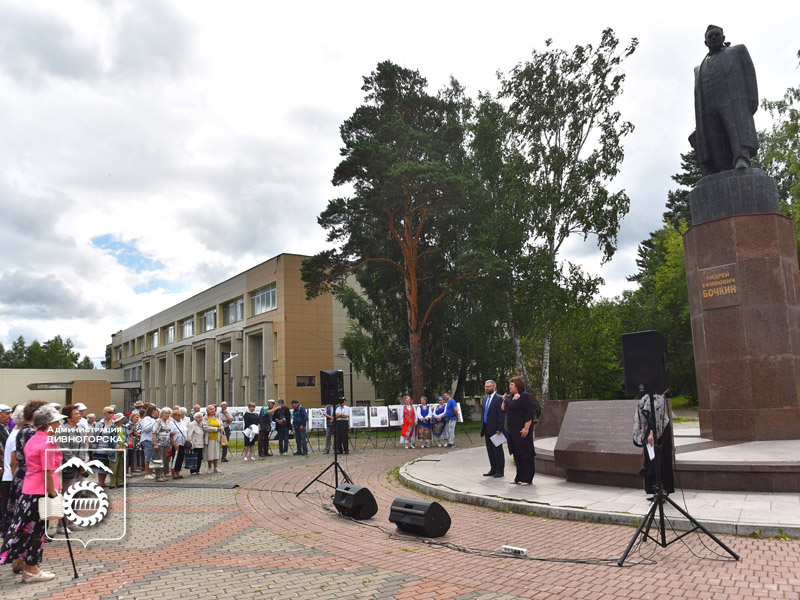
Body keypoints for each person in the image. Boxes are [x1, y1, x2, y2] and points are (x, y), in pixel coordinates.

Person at [0, 405, 66, 583]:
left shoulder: (34, 438)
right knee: (36, 531)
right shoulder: (47, 442)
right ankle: (31, 568)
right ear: (48, 424)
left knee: (25, 529)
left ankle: (25, 563)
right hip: (40, 491)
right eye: (56, 422)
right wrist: (53, 494)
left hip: (29, 489)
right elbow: (48, 471)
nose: (59, 424)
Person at [691, 24, 759, 175]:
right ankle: (723, 167)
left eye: (717, 35)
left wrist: (753, 97)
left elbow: (749, 73)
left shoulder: (737, 51)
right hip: (709, 106)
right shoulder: (698, 68)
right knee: (715, 138)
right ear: (705, 42)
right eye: (710, 36)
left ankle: (742, 158)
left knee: (736, 130)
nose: (714, 38)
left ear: (723, 38)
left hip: (733, 100)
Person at [632, 393, 675, 496]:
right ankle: (654, 490)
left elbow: (653, 413)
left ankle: (663, 491)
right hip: (650, 432)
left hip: (660, 431)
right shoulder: (647, 395)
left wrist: (652, 432)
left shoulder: (658, 395)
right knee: (652, 461)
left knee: (662, 461)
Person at [54, 405, 89, 530]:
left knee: (77, 494)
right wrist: (78, 463)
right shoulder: (63, 430)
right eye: (76, 414)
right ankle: (61, 525)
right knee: (67, 495)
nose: (79, 415)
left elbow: (84, 446)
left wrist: (85, 460)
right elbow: (65, 449)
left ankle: (72, 522)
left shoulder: (79, 429)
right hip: (69, 467)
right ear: (68, 417)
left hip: (80, 467)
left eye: (79, 413)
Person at [501, 376, 536, 485]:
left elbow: (529, 413)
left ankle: (527, 478)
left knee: (525, 454)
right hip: (512, 431)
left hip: (522, 430)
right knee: (517, 454)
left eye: (512, 384)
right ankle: (518, 477)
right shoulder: (511, 397)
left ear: (517, 385)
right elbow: (503, 409)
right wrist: (504, 400)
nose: (509, 387)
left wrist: (526, 428)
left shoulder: (525, 397)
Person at [0, 405, 25, 535]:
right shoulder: (17, 434)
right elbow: (14, 461)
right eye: (6, 413)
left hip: (9, 475)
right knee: (10, 508)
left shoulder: (12, 430)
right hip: (11, 476)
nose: (9, 416)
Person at [480, 380, 506, 478]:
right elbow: (483, 414)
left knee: (497, 450)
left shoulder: (499, 399)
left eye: (489, 386)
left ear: (494, 387)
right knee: (490, 450)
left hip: (496, 429)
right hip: (486, 428)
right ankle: (493, 468)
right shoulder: (485, 399)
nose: (487, 388)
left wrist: (500, 427)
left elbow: (501, 414)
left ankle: (500, 470)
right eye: (485, 387)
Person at [151, 408, 173, 482]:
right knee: (158, 460)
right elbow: (154, 433)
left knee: (165, 460)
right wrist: (155, 444)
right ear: (162, 414)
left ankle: (162, 475)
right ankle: (158, 476)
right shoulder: (158, 422)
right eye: (165, 413)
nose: (167, 415)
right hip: (159, 443)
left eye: (168, 413)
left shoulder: (167, 422)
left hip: (166, 443)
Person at [107, 413, 127, 488]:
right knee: (113, 468)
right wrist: (117, 447)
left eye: (122, 419)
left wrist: (125, 445)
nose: (122, 420)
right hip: (114, 451)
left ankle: (120, 482)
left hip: (123, 449)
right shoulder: (111, 427)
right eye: (121, 419)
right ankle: (112, 483)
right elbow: (110, 439)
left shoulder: (124, 427)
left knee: (121, 467)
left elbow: (127, 436)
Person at [202, 405, 224, 473]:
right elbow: (205, 427)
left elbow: (221, 424)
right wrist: (215, 429)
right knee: (210, 453)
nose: (212, 410)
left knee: (216, 453)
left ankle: (216, 467)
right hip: (209, 438)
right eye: (210, 409)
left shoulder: (217, 417)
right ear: (207, 411)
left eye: (213, 409)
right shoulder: (205, 418)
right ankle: (209, 467)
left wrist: (221, 428)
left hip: (217, 437)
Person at [170, 408, 189, 478]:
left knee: (180, 458)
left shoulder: (181, 421)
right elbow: (170, 435)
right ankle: (174, 472)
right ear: (174, 415)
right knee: (175, 458)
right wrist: (174, 444)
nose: (180, 416)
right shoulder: (171, 423)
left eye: (181, 415)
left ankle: (178, 471)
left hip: (183, 441)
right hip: (176, 442)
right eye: (178, 415)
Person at [140, 405, 158, 479]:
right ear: (153, 411)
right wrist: (154, 423)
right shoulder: (147, 419)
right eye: (157, 411)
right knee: (148, 457)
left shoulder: (154, 419)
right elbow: (145, 429)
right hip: (147, 439)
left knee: (152, 457)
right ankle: (147, 473)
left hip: (152, 440)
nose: (158, 412)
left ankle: (150, 472)